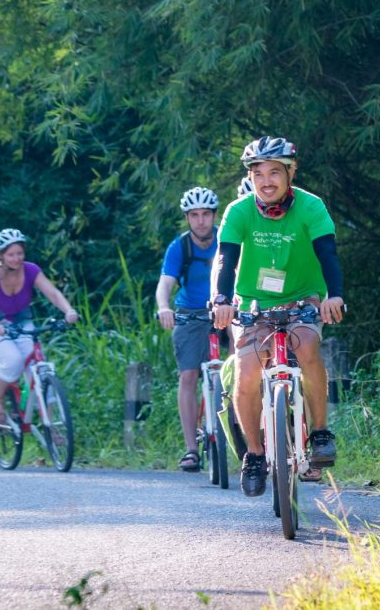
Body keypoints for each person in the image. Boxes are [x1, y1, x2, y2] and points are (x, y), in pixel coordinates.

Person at [211, 136, 346, 496]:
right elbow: (225, 258)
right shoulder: (238, 211)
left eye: (275, 172)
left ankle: (319, 432)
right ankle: (254, 455)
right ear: (251, 178)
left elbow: (328, 254)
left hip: (304, 298)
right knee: (248, 368)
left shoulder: (311, 207)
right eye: (258, 174)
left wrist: (334, 296)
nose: (266, 181)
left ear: (290, 173)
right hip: (254, 303)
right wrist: (221, 299)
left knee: (306, 347)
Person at [0, 228, 79, 424]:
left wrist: (69, 311)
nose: (16, 258)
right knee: (13, 360)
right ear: (1, 256)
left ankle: (54, 428)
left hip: (21, 323)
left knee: (40, 370)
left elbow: (53, 293)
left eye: (20, 253)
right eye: (11, 254)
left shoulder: (31, 270)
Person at [155, 186, 221, 472]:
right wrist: (164, 307)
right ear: (187, 218)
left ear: (214, 215)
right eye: (194, 215)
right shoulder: (179, 247)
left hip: (226, 309)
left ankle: (250, 440)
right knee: (188, 376)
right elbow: (165, 283)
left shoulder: (228, 239)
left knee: (245, 368)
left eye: (206, 214)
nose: (201, 221)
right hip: (190, 314)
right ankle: (191, 447)